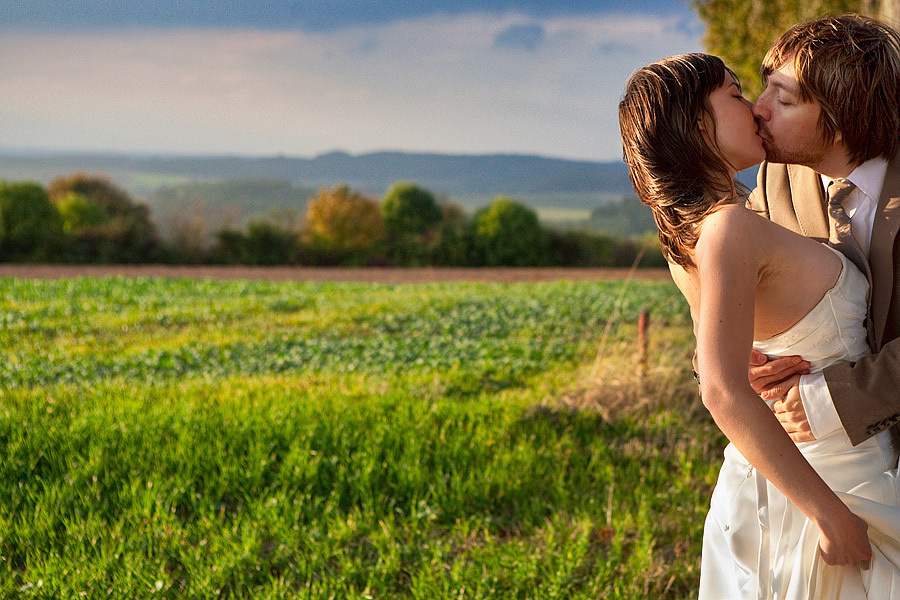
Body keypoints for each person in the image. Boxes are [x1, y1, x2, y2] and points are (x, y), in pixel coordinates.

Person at [619, 52, 900, 599]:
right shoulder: (728, 228)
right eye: (735, 93)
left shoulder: (700, 228)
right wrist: (826, 515)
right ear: (698, 123)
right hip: (830, 484)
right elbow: (722, 391)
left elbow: (723, 361)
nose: (754, 109)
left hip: (806, 466)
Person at [746, 14, 900, 455]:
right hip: (815, 457)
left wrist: (839, 400)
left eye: (784, 100)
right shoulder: (774, 180)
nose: (758, 108)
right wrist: (735, 362)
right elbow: (734, 285)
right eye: (765, 87)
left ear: (841, 123)